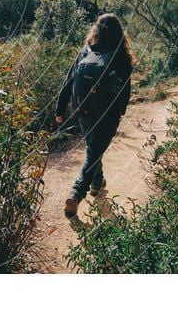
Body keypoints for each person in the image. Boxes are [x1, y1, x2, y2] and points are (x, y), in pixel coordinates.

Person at [54, 13, 134, 218]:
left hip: (83, 111)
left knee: (94, 148)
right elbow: (125, 89)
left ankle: (97, 183)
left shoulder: (85, 52)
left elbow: (69, 81)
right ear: (119, 33)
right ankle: (77, 192)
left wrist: (60, 110)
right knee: (94, 152)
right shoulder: (120, 56)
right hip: (107, 114)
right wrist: (120, 111)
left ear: (96, 30)